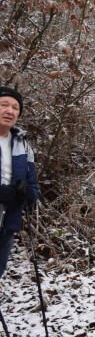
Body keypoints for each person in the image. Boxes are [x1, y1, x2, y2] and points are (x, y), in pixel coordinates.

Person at [0, 87, 39, 278]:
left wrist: (26, 194)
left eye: (15, 108)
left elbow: (33, 186)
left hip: (7, 222)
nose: (10, 111)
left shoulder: (22, 145)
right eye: (4, 105)